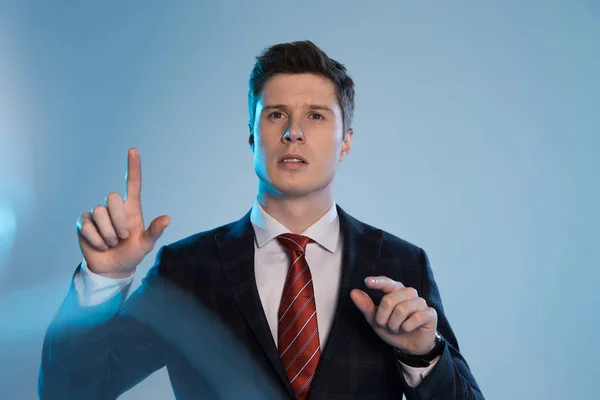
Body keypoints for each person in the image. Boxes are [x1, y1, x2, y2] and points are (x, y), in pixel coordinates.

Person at [38, 40, 484, 399]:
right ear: (253, 135)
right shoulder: (187, 270)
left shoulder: (402, 265)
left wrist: (423, 355)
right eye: (276, 115)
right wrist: (103, 282)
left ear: (345, 141)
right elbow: (68, 392)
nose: (294, 131)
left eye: (316, 115)